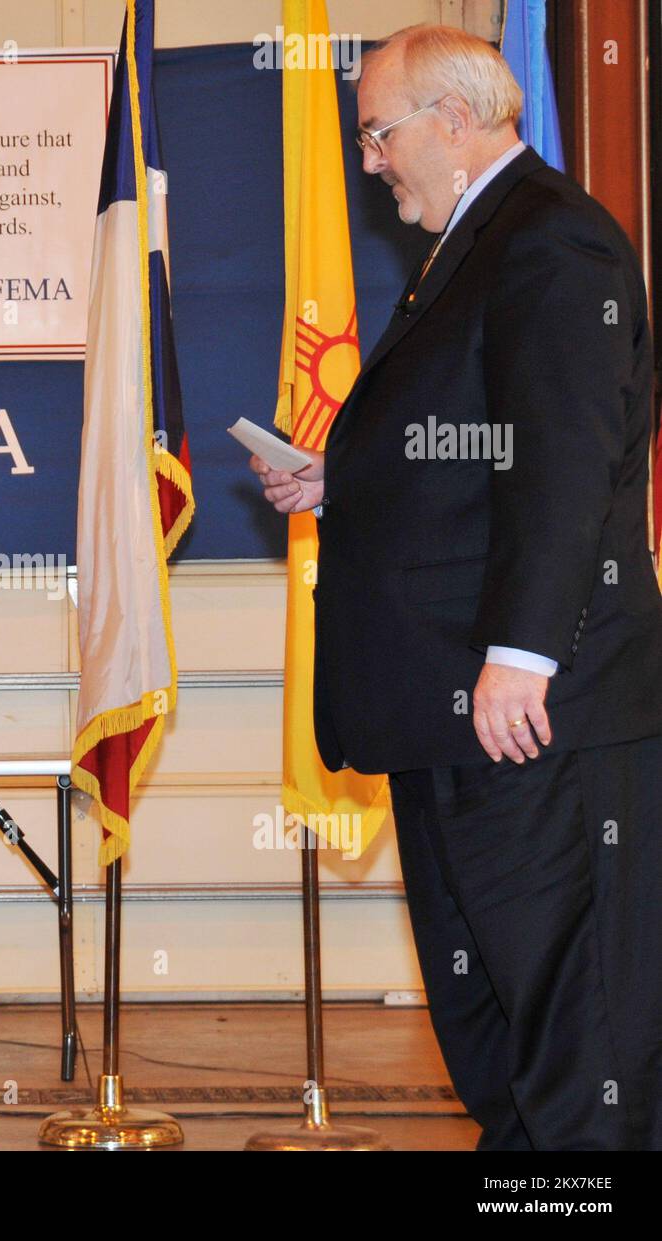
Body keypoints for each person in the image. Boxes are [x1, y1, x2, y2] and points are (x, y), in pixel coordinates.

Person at [250, 24, 662, 1150]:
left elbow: (566, 457)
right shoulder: (476, 244)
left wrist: (520, 654)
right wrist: (346, 476)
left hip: (533, 718)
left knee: (578, 1054)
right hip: (456, 724)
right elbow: (487, 444)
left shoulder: (551, 242)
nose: (370, 162)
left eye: (377, 136)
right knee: (498, 1059)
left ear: (452, 119)